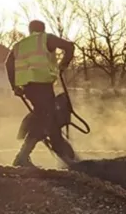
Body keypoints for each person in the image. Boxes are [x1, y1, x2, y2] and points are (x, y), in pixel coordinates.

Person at [5, 20, 75, 167]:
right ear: (43, 29)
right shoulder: (46, 38)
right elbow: (69, 46)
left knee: (44, 117)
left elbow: (8, 64)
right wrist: (63, 65)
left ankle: (62, 153)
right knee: (45, 117)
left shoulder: (20, 45)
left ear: (30, 30)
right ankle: (24, 156)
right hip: (42, 84)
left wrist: (15, 87)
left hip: (29, 88)